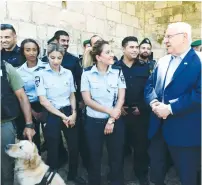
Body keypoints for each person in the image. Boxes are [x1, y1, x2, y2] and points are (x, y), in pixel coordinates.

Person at [144, 22, 201, 185]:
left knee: (187, 176)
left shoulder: (199, 61)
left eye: (169, 36)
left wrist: (170, 109)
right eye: (165, 37)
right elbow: (149, 85)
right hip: (158, 129)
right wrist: (154, 102)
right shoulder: (162, 61)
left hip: (185, 133)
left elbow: (199, 93)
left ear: (184, 37)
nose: (165, 40)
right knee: (156, 173)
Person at [35, 43, 85, 184]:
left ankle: (73, 175)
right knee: (53, 147)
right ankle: (52, 177)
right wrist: (63, 116)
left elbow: (72, 94)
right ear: (47, 56)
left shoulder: (68, 73)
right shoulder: (41, 74)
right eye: (52, 57)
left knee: (74, 145)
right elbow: (43, 101)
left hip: (69, 110)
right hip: (52, 113)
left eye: (59, 58)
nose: (56, 61)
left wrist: (74, 113)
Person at [81, 40, 126, 185]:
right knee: (94, 156)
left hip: (115, 122)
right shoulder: (87, 74)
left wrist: (112, 119)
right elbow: (87, 100)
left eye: (111, 51)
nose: (112, 54)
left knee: (116, 156)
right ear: (98, 57)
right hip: (94, 122)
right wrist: (109, 111)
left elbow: (121, 97)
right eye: (108, 52)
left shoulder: (117, 71)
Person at [116, 36, 150, 185]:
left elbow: (149, 89)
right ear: (123, 48)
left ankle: (141, 173)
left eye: (137, 47)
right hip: (120, 114)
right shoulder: (114, 67)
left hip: (139, 114)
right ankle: (117, 175)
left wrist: (141, 107)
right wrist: (117, 107)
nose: (135, 50)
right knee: (118, 146)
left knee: (140, 147)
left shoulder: (144, 66)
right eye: (132, 47)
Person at [1, 60, 35, 185]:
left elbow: (22, 96)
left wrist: (29, 124)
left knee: (5, 166)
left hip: (3, 124)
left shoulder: (6, 68)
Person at [17, 38, 47, 153]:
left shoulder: (46, 67)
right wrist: (33, 112)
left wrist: (45, 110)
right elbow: (22, 94)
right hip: (29, 106)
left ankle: (55, 162)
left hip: (46, 104)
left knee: (51, 136)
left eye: (34, 50)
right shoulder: (19, 72)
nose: (32, 53)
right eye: (28, 50)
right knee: (33, 139)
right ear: (23, 52)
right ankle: (36, 161)